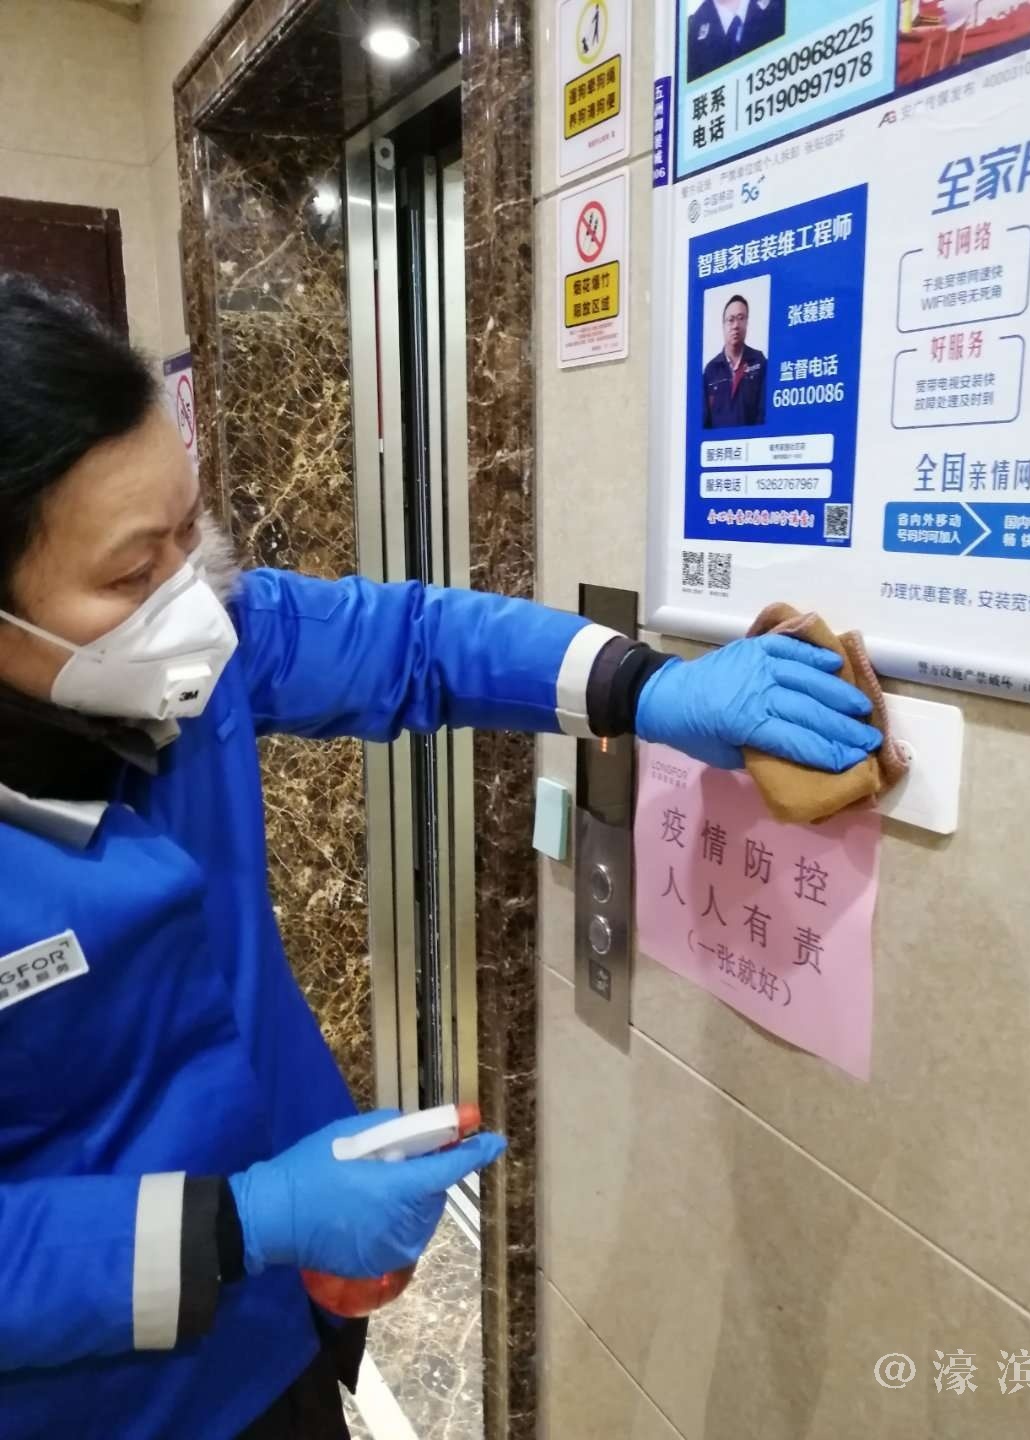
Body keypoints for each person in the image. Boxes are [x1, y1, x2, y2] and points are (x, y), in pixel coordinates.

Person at [0, 277, 880, 1440]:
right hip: (104, 1403)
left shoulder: (180, 654)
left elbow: (411, 642)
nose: (190, 601)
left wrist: (646, 686)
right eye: (129, 572)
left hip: (283, 1336)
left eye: (188, 532)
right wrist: (243, 1223)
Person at [703, 292, 768, 428]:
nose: (736, 325)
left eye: (741, 318)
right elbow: (704, 421)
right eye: (730, 320)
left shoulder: (759, 362)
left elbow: (764, 414)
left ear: (747, 323)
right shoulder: (711, 370)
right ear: (723, 325)